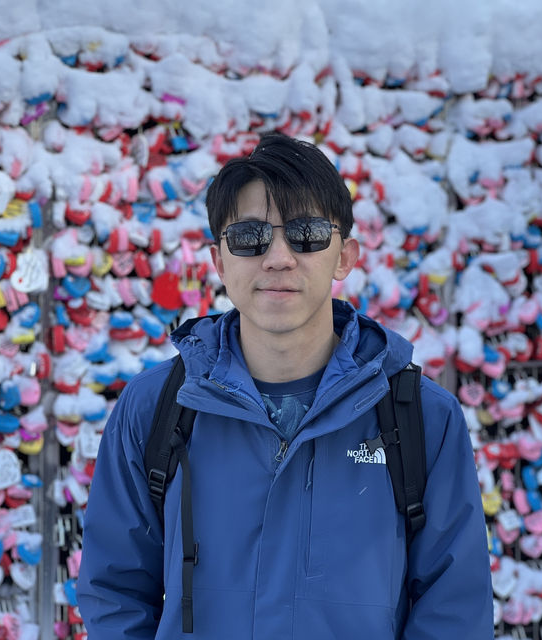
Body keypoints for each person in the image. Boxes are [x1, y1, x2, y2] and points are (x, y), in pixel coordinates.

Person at [77, 133, 494, 639]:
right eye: (250, 237)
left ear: (344, 256)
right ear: (219, 261)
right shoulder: (156, 408)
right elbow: (114, 592)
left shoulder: (421, 417)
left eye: (307, 234)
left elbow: (453, 611)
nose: (279, 257)